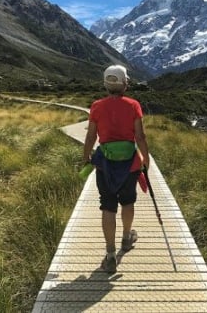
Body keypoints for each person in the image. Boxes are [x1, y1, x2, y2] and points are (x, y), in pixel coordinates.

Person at [82, 65, 149, 273]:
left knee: (108, 205)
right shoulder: (133, 105)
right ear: (125, 84)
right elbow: (139, 136)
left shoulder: (96, 106)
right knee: (128, 201)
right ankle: (127, 238)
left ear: (106, 83)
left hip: (105, 166)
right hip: (130, 164)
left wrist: (86, 157)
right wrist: (145, 158)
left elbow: (91, 136)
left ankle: (110, 255)